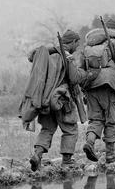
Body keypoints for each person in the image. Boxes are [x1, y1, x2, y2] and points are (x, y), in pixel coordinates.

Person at [73, 18, 115, 164]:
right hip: (109, 86)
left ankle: (90, 142)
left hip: (91, 86)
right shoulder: (112, 44)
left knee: (96, 119)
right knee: (112, 119)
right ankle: (111, 153)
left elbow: (79, 70)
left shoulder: (86, 48)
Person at [26, 30, 83, 171]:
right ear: (73, 42)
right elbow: (74, 78)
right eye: (77, 43)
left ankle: (37, 155)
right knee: (70, 129)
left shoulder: (46, 56)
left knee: (47, 129)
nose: (77, 47)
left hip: (44, 100)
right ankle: (67, 161)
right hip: (63, 100)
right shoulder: (67, 57)